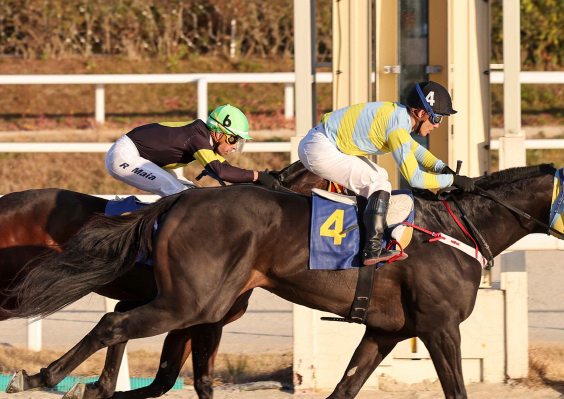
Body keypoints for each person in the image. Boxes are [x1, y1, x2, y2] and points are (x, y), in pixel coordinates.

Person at [298, 80, 477, 265]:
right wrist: (452, 180)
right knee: (379, 184)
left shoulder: (400, 116)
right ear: (422, 113)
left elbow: (416, 150)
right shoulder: (398, 128)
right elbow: (415, 179)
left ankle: (363, 233)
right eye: (437, 118)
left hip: (324, 143)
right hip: (321, 149)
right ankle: (371, 250)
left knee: (382, 176)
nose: (437, 125)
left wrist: (442, 168)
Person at [106, 104, 283, 197]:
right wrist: (258, 176)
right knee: (177, 193)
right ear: (218, 133)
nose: (235, 146)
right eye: (233, 139)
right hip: (124, 156)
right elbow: (222, 172)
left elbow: (227, 169)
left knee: (191, 192)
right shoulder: (197, 138)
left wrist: (261, 176)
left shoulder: (205, 139)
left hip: (141, 157)